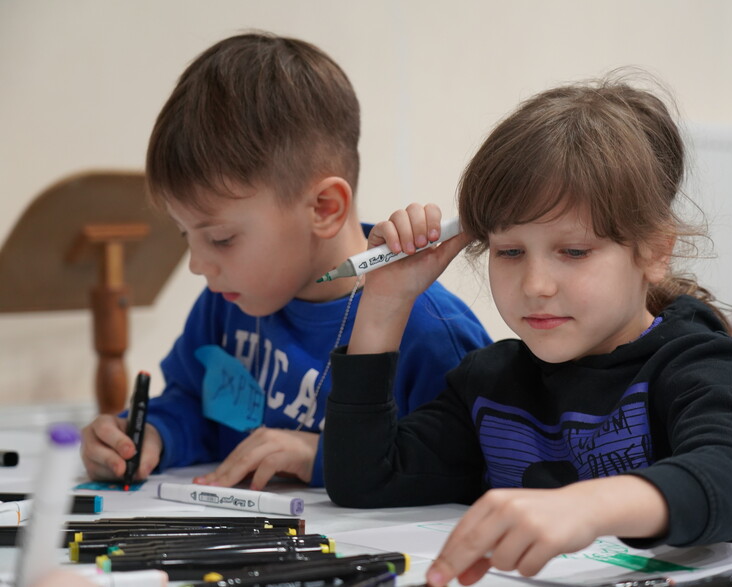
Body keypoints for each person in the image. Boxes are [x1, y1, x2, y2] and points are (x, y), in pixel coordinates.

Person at [323, 74, 732, 586]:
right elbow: (363, 480)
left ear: (654, 251)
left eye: (574, 252)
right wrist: (387, 301)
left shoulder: (705, 365)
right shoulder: (490, 381)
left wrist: (588, 507)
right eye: (510, 251)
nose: (536, 285)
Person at [79, 32, 491, 490]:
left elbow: (473, 461)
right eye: (185, 236)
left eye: (221, 238)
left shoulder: (431, 332)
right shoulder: (228, 301)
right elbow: (194, 403)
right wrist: (149, 434)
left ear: (324, 209)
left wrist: (327, 455)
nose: (198, 264)